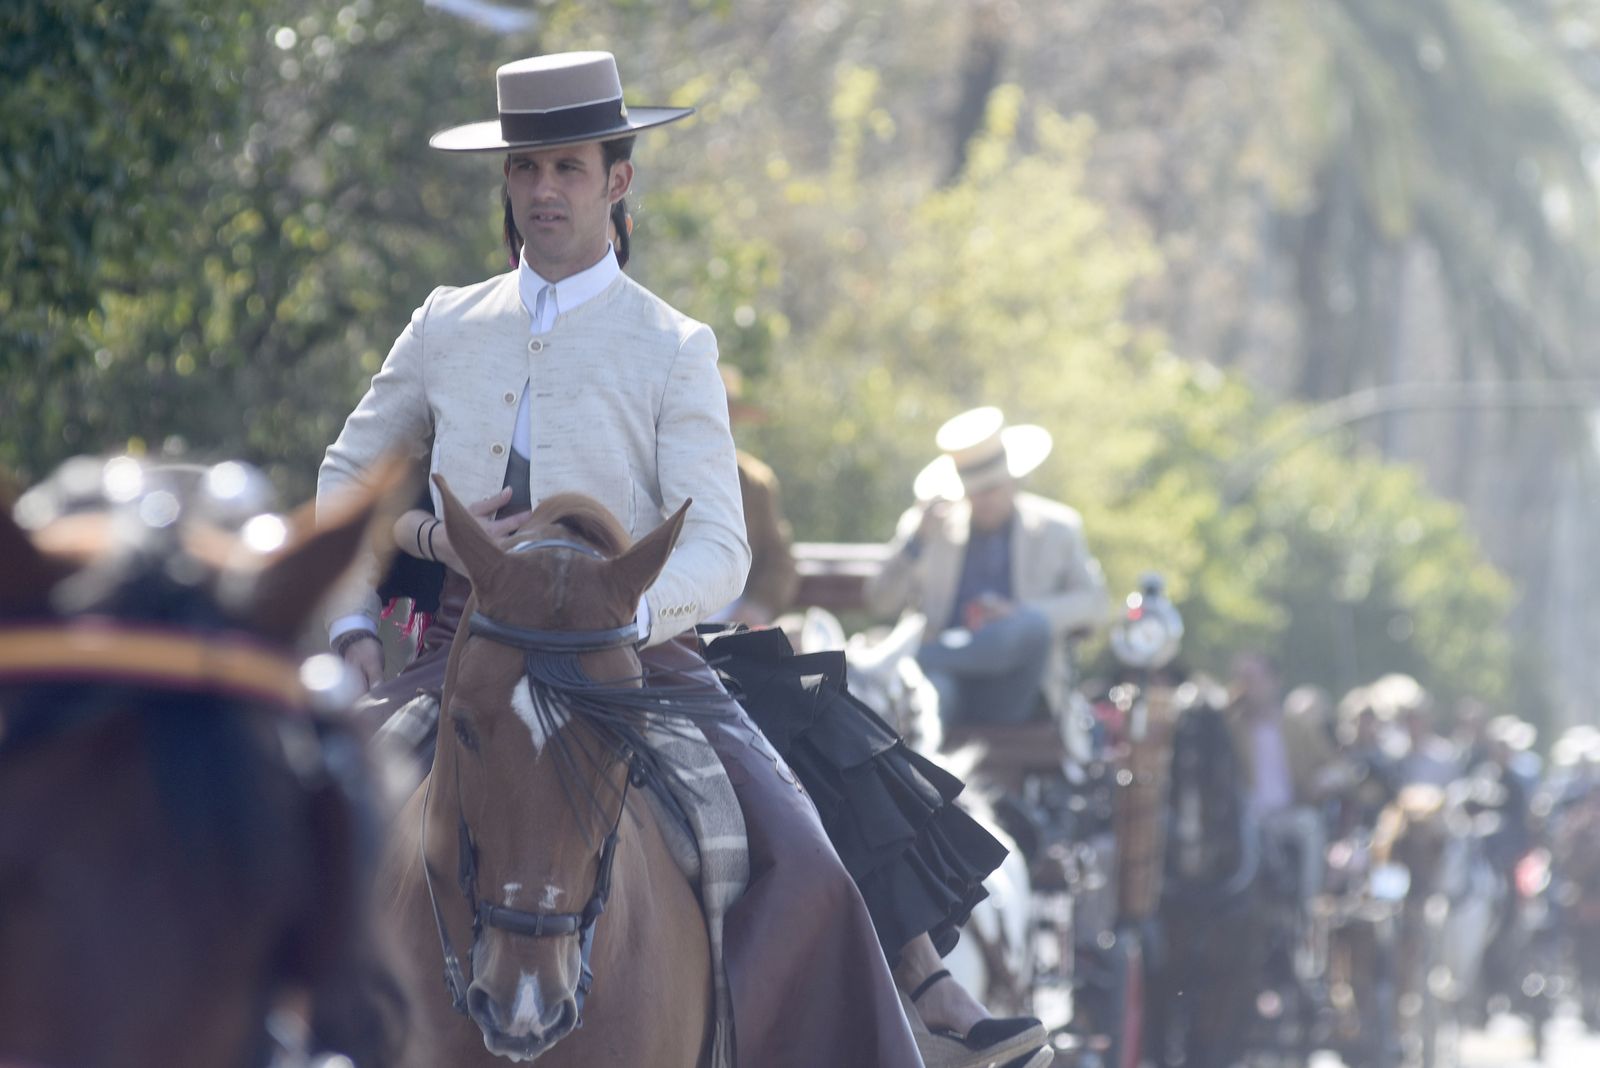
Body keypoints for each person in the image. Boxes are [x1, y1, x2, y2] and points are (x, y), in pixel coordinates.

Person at [317, 52, 1048, 1068]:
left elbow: (718, 548)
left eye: (566, 169)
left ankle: (890, 1032)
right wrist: (384, 589)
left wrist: (614, 615)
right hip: (465, 656)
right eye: (525, 170)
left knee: (807, 860)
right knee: (280, 812)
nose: (542, 192)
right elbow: (345, 480)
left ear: (617, 179)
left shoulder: (673, 344)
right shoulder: (445, 324)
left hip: (637, 665)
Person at [866, 407, 1107, 726]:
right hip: (943, 681)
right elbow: (879, 601)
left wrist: (1017, 611)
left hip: (1015, 686)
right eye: (975, 491)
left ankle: (909, 656)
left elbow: (1095, 605)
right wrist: (915, 543)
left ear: (1014, 479)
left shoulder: (1058, 528)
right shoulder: (927, 529)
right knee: (931, 697)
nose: (985, 499)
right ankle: (926, 661)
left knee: (1031, 627)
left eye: (993, 487)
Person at [1225, 652, 1337, 906]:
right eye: (1241, 678)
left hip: (1287, 813)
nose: (1247, 685)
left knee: (1310, 826)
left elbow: (1333, 765)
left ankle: (1309, 906)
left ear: (1274, 681)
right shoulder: (1230, 726)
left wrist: (1325, 780)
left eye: (1253, 678)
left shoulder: (1296, 726)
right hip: (1244, 816)